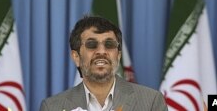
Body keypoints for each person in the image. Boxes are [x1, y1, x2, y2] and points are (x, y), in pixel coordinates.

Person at [40, 15, 168, 111]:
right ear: (76, 57)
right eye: (91, 44)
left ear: (118, 55)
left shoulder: (151, 102)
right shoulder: (52, 107)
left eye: (109, 44)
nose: (101, 51)